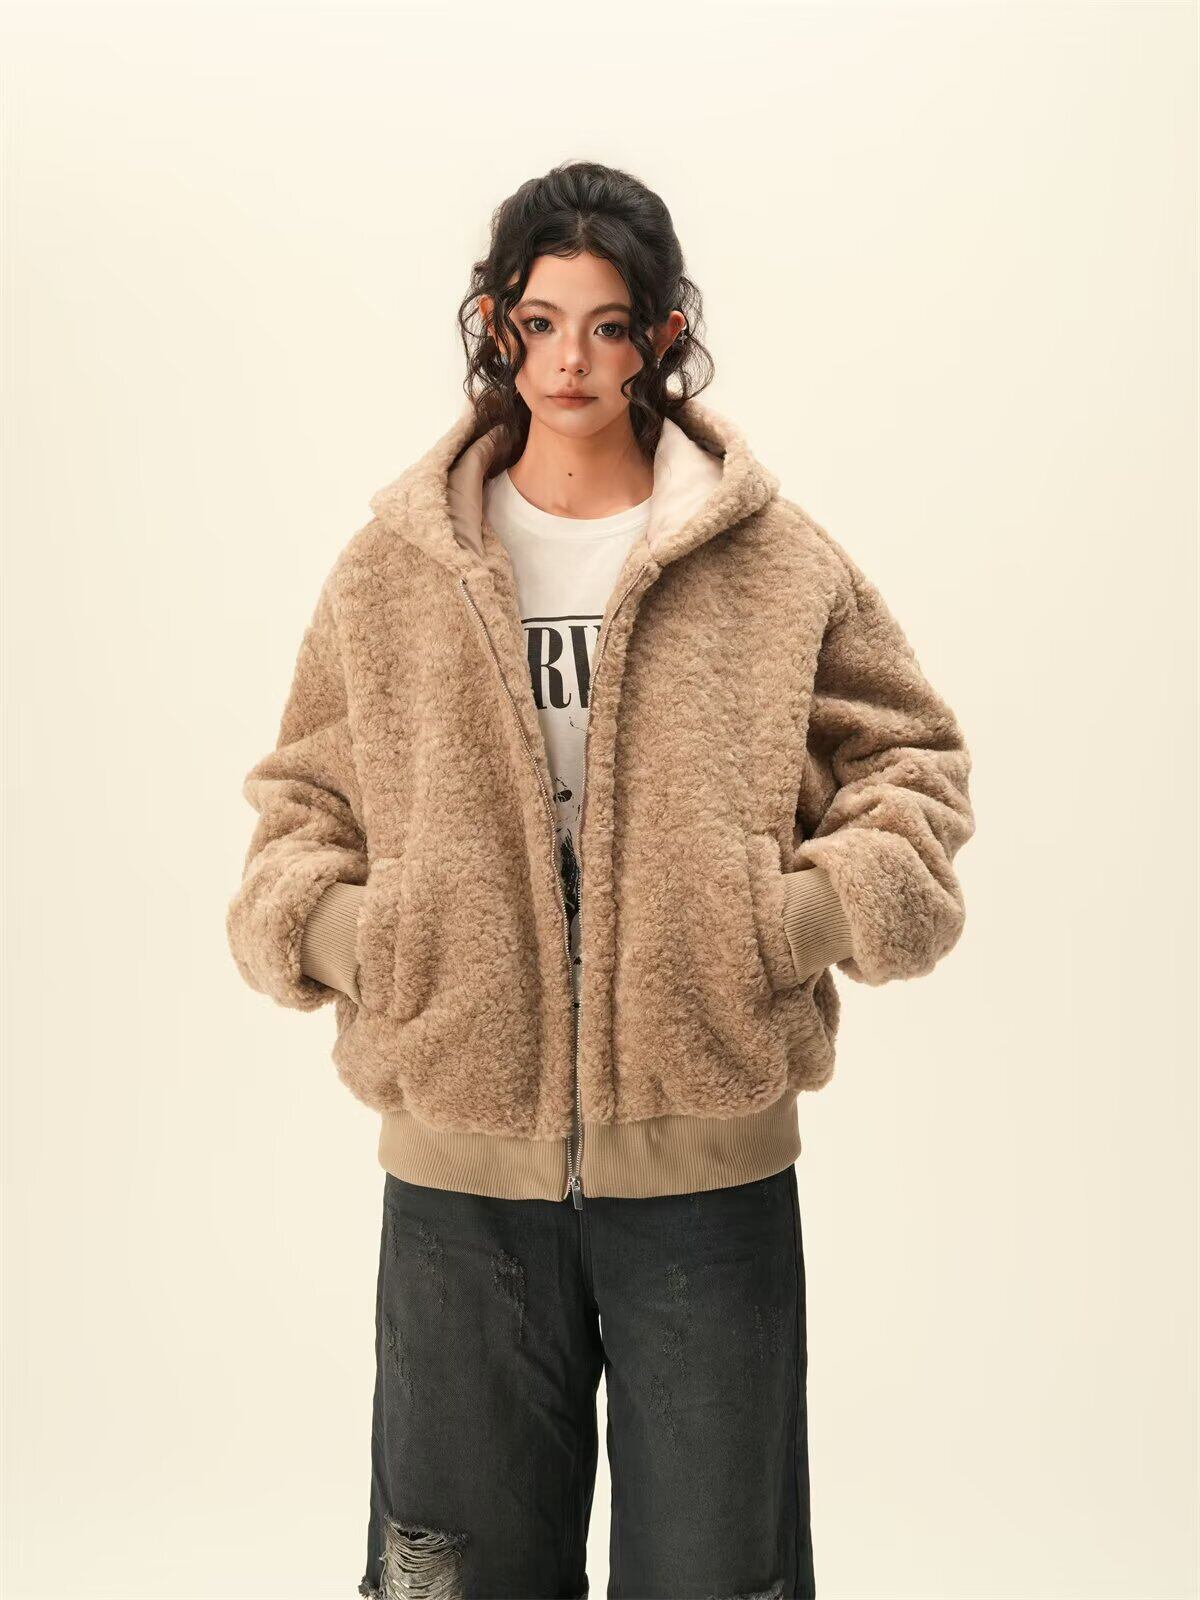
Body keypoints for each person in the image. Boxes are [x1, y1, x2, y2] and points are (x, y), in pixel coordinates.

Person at [225, 159, 975, 1600]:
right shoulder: (397, 570)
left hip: (707, 1168)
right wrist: (368, 939)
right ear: (497, 327)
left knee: (716, 1575)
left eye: (609, 324)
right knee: (458, 1575)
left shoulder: (768, 559)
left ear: (662, 334)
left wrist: (791, 918)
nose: (570, 360)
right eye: (539, 322)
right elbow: (301, 807)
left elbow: (913, 762)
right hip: (461, 1177)